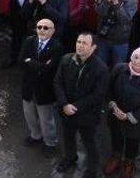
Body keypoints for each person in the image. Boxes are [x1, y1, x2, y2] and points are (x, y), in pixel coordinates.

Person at [54, 32, 109, 178]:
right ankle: (70, 157)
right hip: (66, 110)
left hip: (87, 115)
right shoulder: (66, 59)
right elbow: (58, 82)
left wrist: (75, 106)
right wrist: (64, 104)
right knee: (68, 137)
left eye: (84, 43)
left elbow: (98, 95)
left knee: (90, 143)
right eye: (78, 41)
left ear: (93, 47)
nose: (80, 45)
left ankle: (92, 169)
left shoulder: (101, 68)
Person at [104, 48, 140, 178]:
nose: (137, 61)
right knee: (116, 137)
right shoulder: (119, 69)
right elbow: (109, 89)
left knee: (132, 142)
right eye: (135, 57)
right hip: (115, 114)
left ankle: (129, 162)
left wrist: (129, 116)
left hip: (136, 121)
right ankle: (116, 157)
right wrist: (113, 105)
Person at [18, 18, 63, 157]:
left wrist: (30, 61)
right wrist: (39, 65)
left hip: (45, 91)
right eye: (39, 27)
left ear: (53, 30)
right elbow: (20, 61)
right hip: (28, 88)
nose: (42, 30)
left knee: (46, 119)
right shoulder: (29, 41)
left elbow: (49, 69)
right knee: (29, 115)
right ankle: (35, 135)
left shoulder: (57, 47)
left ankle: (50, 142)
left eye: (46, 28)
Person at [94, 0, 137, 67]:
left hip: (119, 42)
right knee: (100, 66)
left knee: (118, 68)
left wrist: (116, 3)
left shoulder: (132, 1)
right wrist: (106, 1)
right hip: (103, 38)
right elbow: (99, 12)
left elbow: (125, 20)